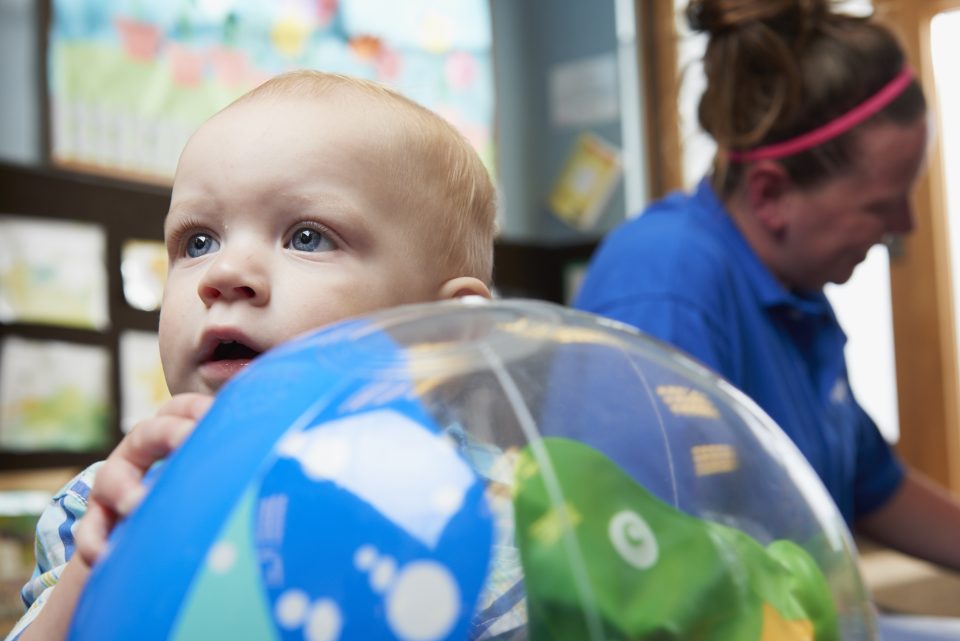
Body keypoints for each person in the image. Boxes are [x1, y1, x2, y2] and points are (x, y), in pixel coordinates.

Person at [6, 70, 498, 641]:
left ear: (444, 333)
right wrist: (107, 564)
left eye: (307, 237)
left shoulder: (512, 511)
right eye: (198, 242)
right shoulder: (114, 500)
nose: (223, 273)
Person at [574, 0, 960, 613]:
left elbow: (870, 487)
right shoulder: (667, 287)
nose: (904, 225)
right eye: (881, 205)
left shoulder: (796, 299)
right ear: (772, 193)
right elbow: (646, 572)